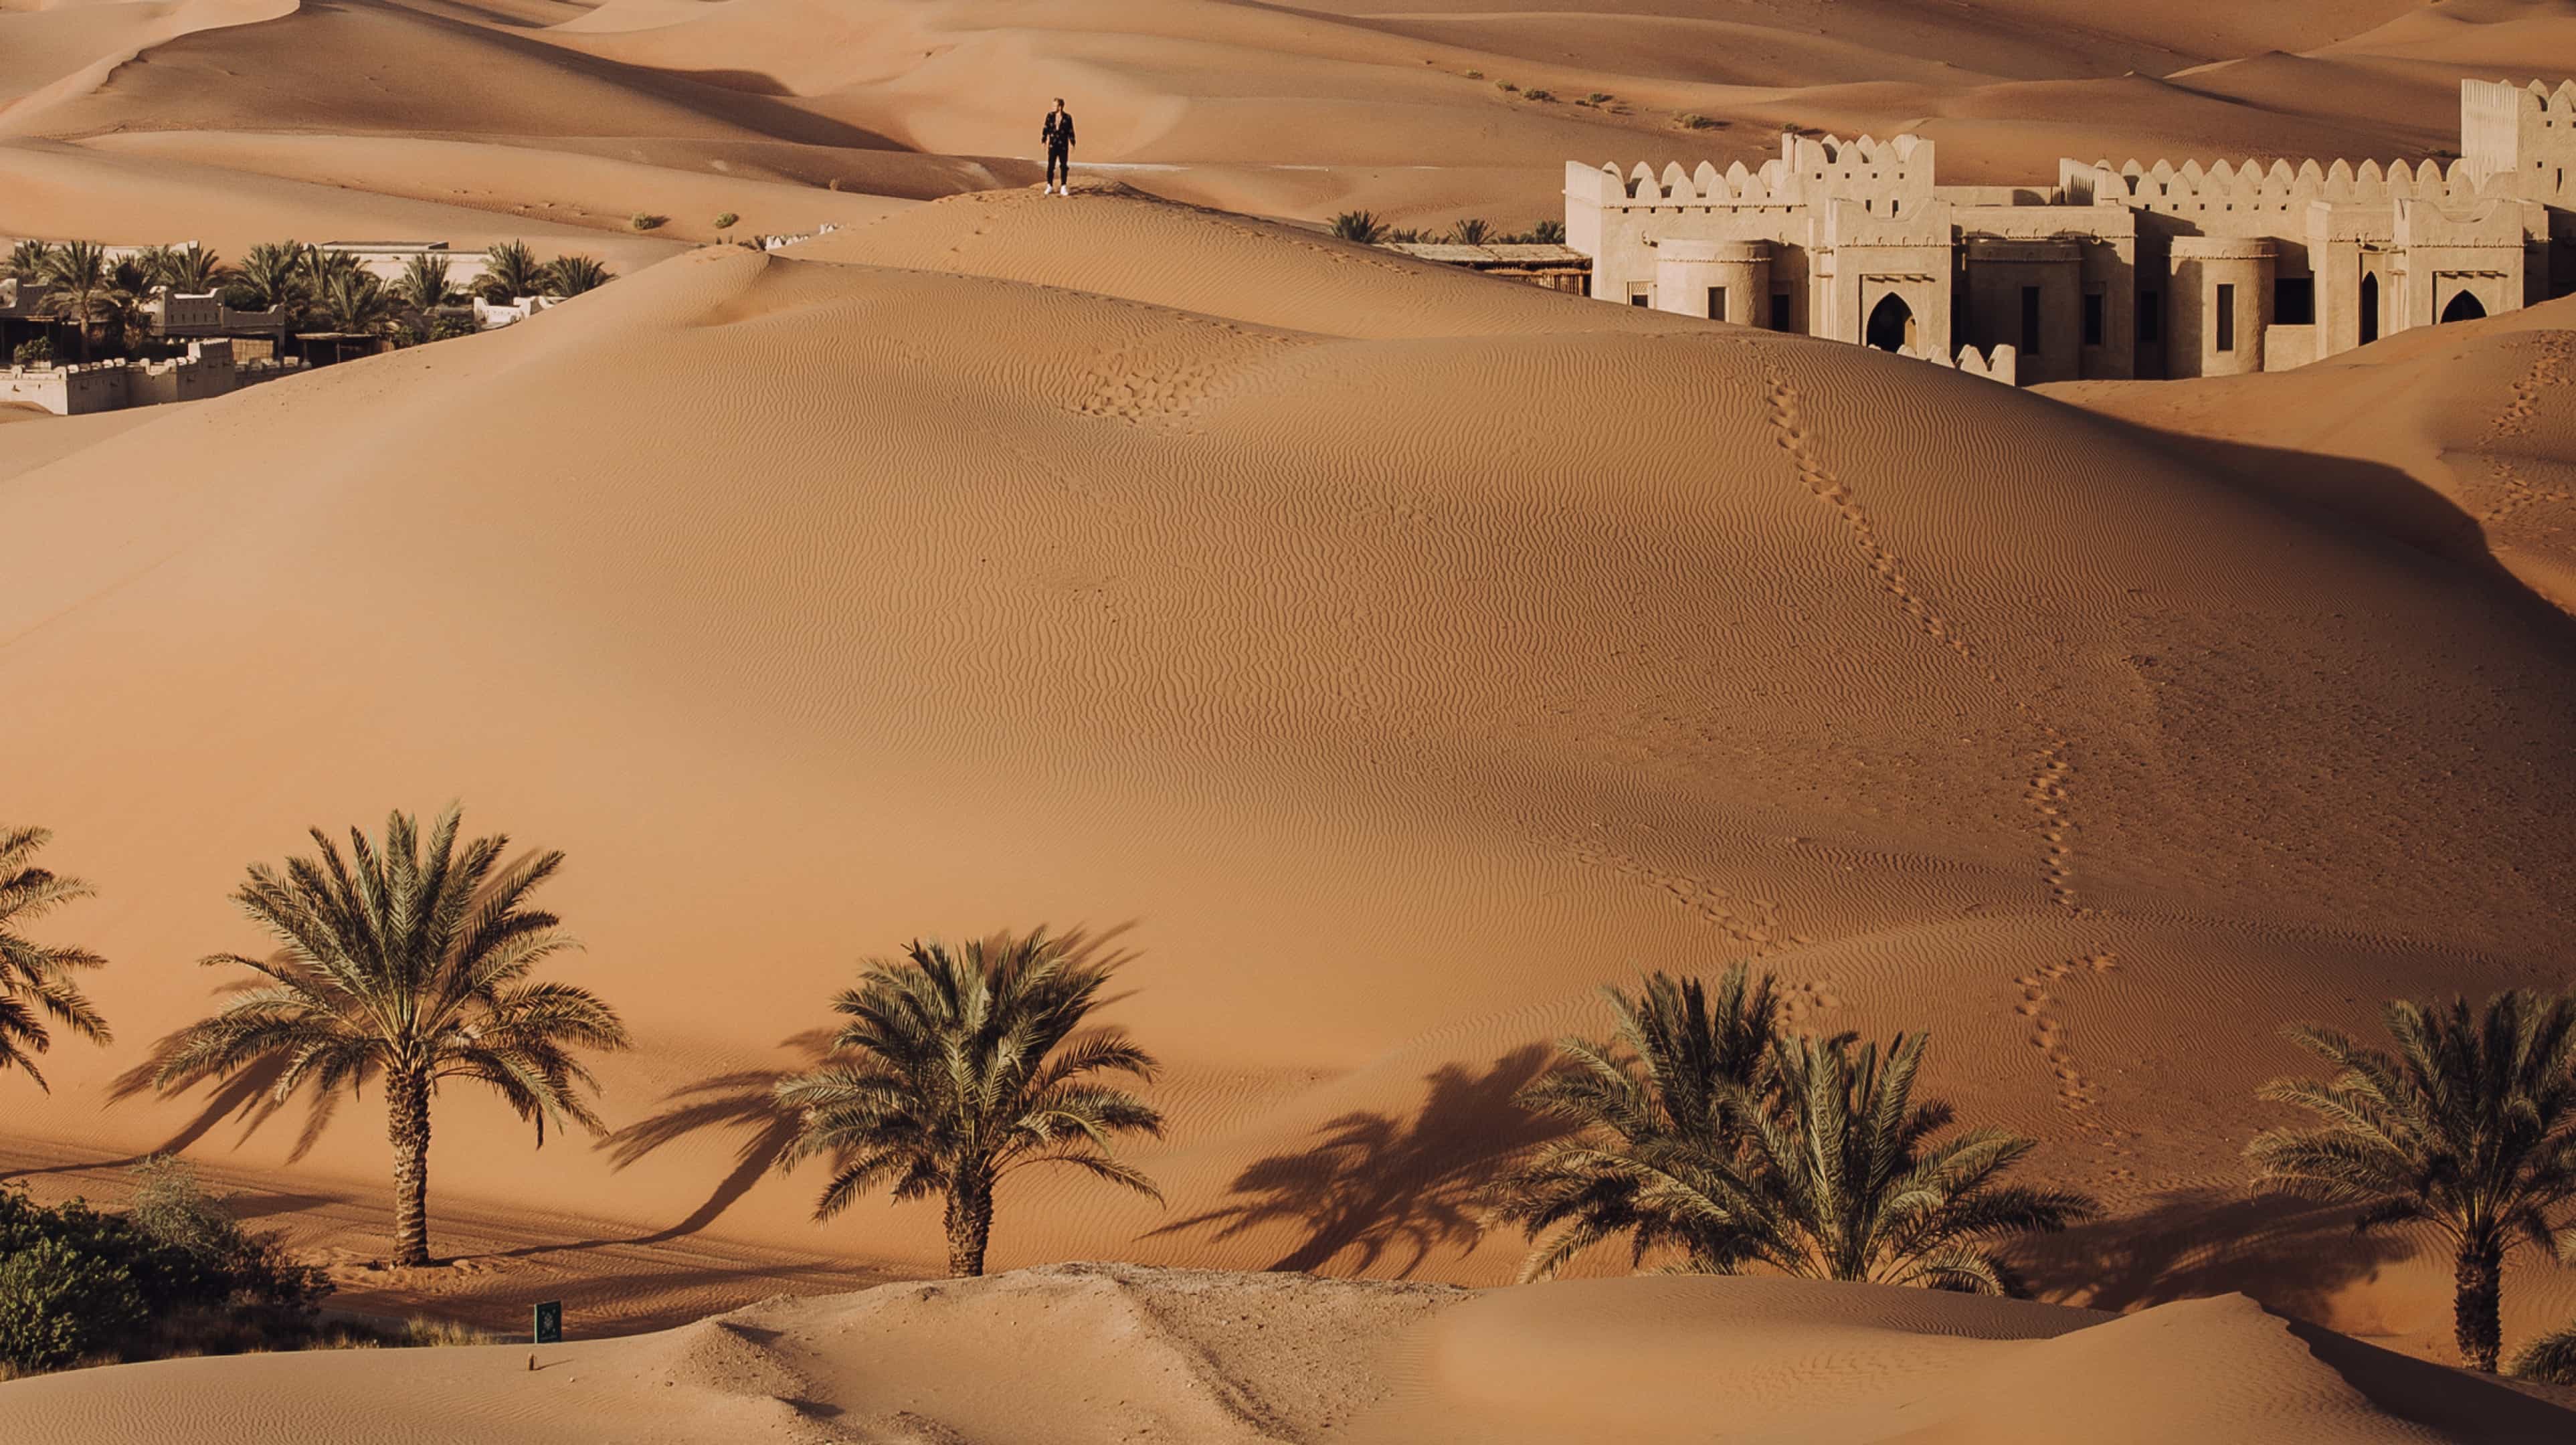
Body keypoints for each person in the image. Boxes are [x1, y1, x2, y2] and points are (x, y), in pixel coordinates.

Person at [1042, 99, 1076, 196]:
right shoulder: (1050, 116)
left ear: (1060, 107)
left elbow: (1071, 131)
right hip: (1053, 145)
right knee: (1051, 166)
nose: (1053, 107)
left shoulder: (1068, 117)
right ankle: (1049, 185)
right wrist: (1044, 140)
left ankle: (1063, 186)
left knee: (1064, 166)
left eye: (1055, 105)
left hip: (1063, 146)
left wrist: (1073, 142)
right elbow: (1046, 128)